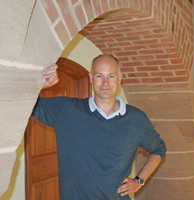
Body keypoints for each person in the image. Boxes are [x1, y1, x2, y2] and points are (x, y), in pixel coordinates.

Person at [32, 54, 167, 200]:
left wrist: (139, 181)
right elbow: (19, 102)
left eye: (111, 76)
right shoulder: (65, 111)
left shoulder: (137, 119)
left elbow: (159, 149)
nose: (105, 83)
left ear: (120, 78)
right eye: (99, 76)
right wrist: (40, 84)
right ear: (90, 78)